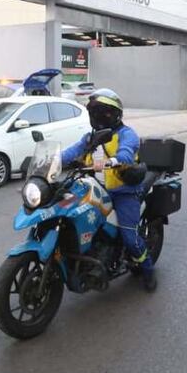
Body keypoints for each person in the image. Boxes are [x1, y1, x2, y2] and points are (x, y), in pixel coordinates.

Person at [61, 89, 156, 292]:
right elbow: (71, 152)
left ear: (115, 114)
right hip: (96, 188)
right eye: (95, 112)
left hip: (124, 192)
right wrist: (52, 160)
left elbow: (126, 153)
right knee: (70, 214)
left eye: (104, 112)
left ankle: (148, 270)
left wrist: (112, 161)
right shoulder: (90, 138)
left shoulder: (126, 134)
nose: (99, 116)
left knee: (130, 238)